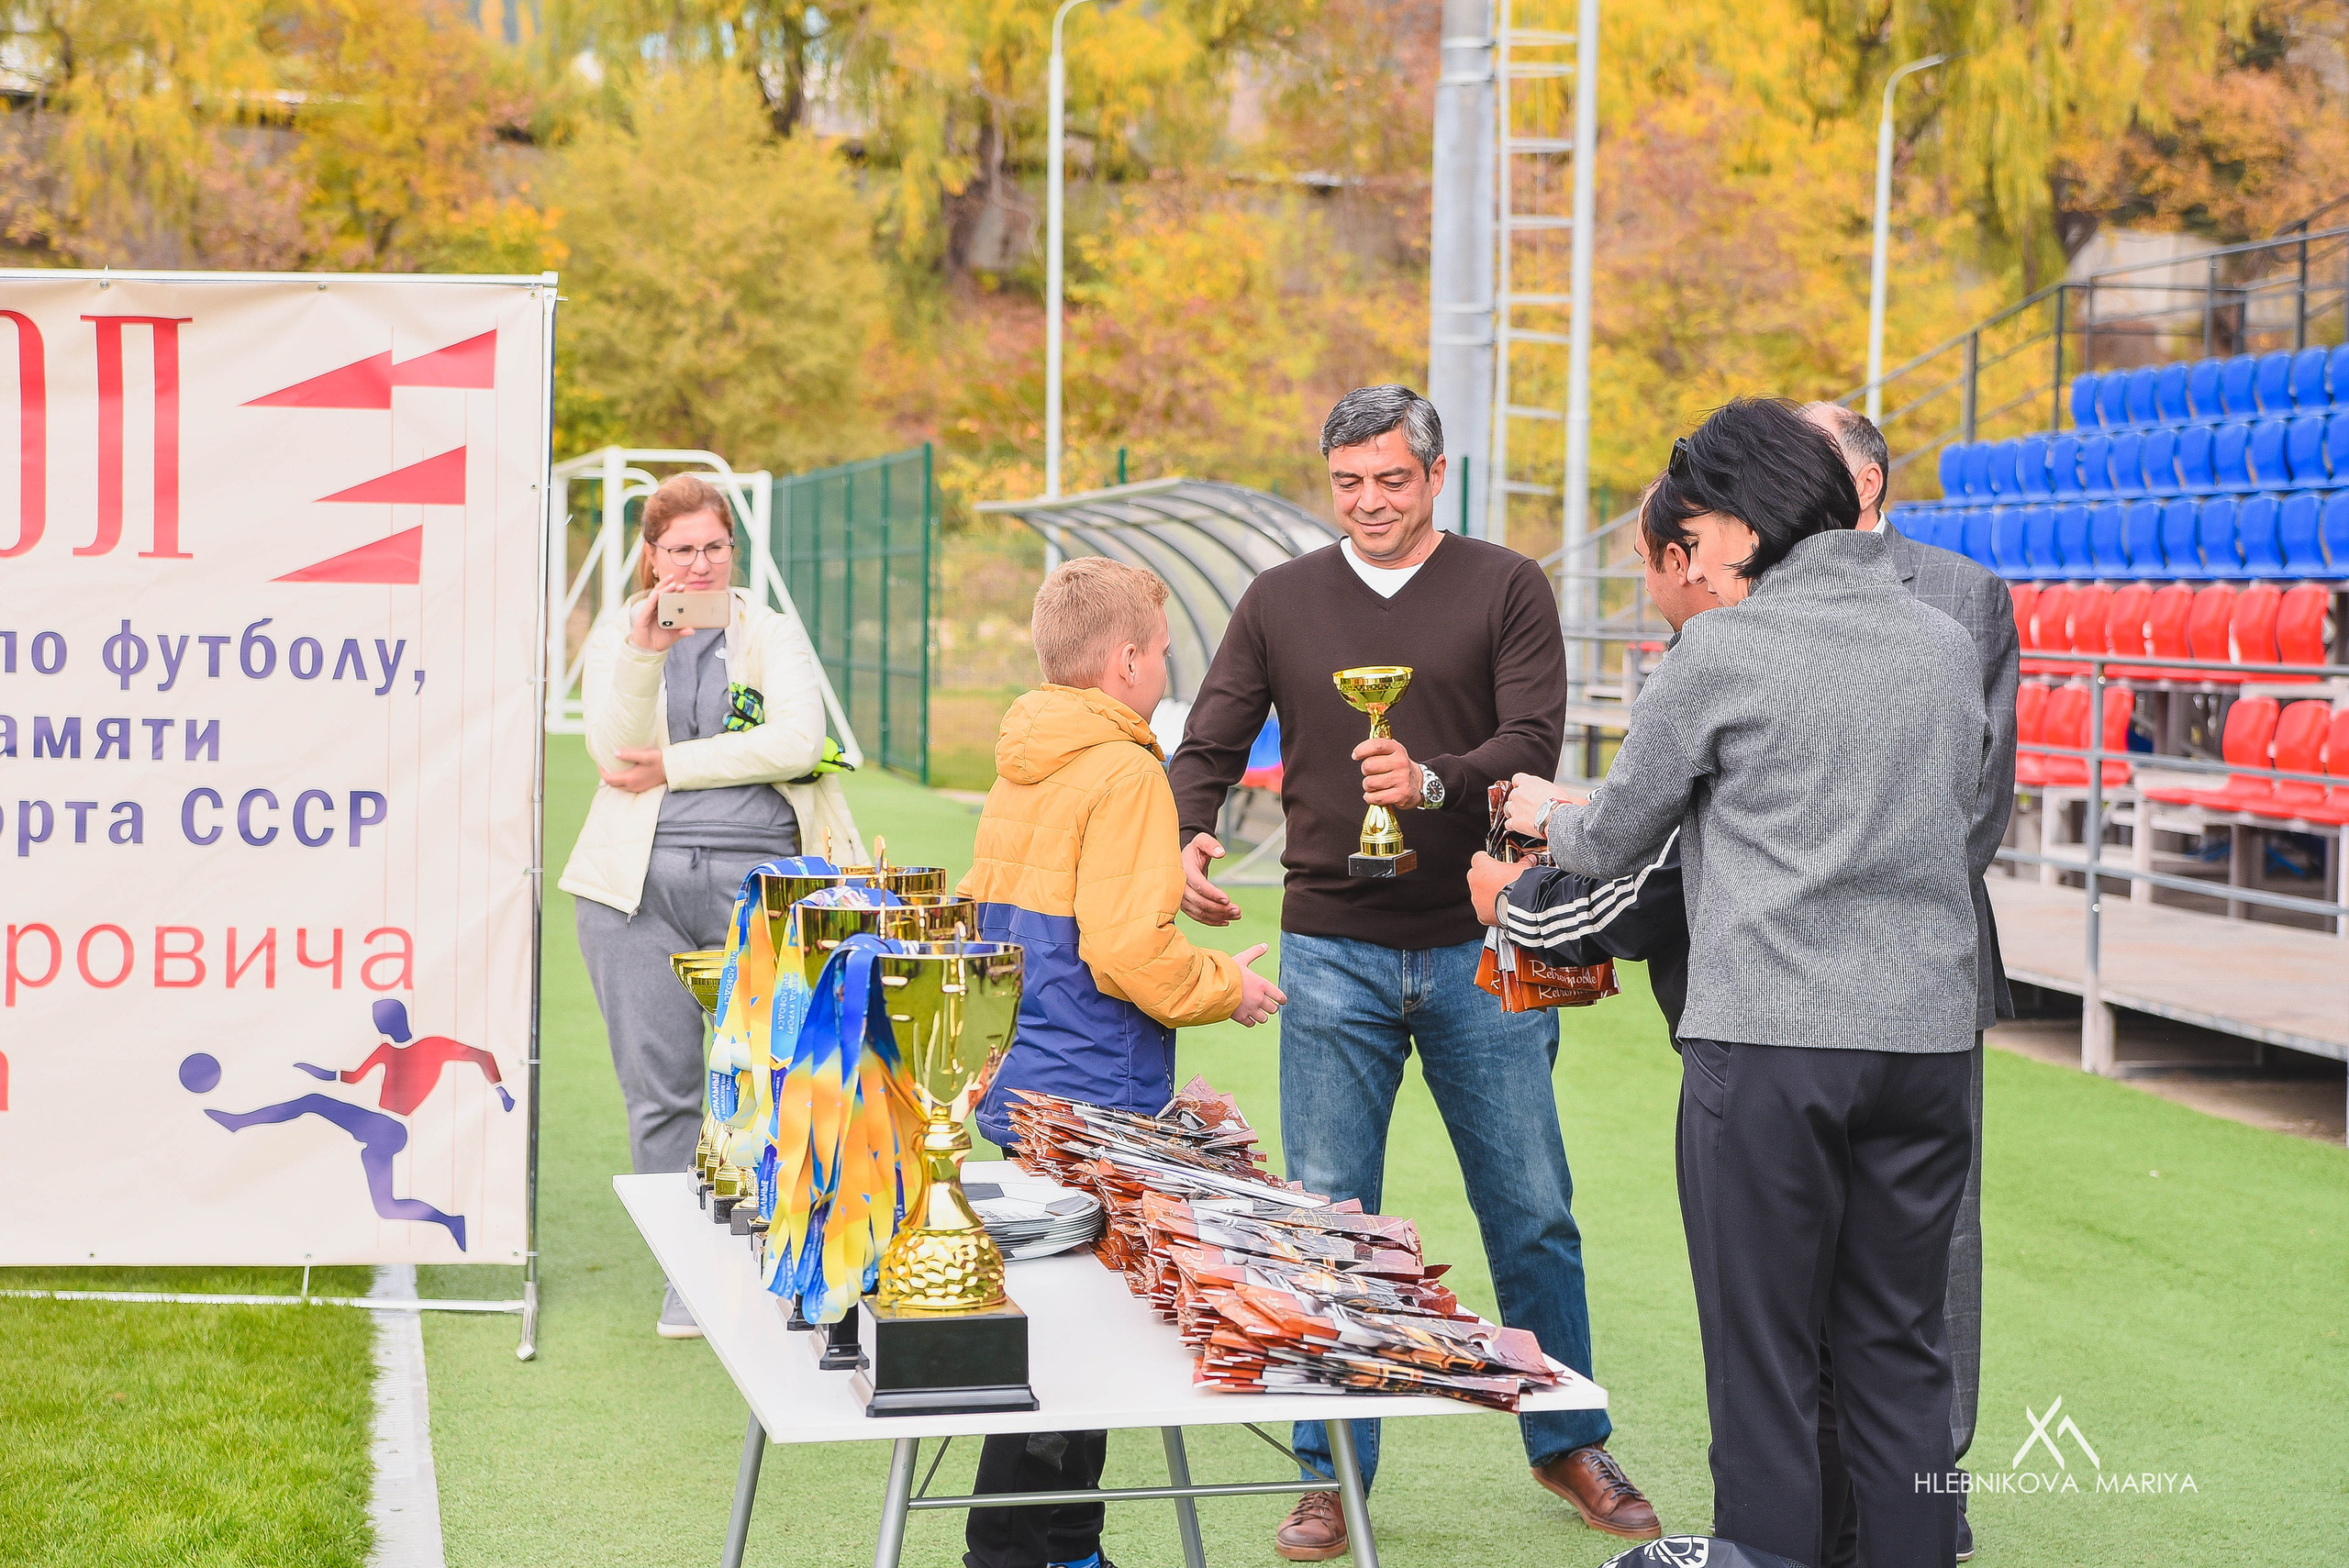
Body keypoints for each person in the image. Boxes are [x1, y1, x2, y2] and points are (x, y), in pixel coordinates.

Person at [1169, 384, 1660, 1561]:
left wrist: (1433, 781)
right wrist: (1183, 828)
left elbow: (1532, 744)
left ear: (1437, 475)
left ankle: (1565, 1438)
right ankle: (1332, 1470)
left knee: (1532, 1209)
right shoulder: (1280, 597)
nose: (1370, 501)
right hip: (1328, 946)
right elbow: (1210, 737)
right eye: (1347, 482)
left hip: (1475, 946)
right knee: (1327, 1224)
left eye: (1392, 478)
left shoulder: (1505, 585)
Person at [1506, 398, 1990, 1568]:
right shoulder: (1941, 640)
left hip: (1773, 1039)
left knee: (1766, 1349)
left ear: (1742, 517)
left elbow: (1614, 837)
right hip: (1928, 1042)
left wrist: (1539, 828)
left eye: (1703, 517)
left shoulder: (1721, 650)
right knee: (1900, 1343)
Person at [959, 556, 1285, 1568]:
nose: (1167, 668)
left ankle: (1065, 1542)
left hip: (1020, 1078)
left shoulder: (1028, 754)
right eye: (1163, 651)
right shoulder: (1127, 768)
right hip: (1093, 1094)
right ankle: (1012, 1549)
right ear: (1129, 661)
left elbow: (1017, 906)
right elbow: (1123, 952)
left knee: (1056, 1323)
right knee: (1072, 1342)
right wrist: (1226, 986)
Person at [560, 472, 863, 1340]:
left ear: (735, 550)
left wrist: (676, 765)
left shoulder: (767, 631)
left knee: (776, 1085)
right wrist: (649, 651)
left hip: (760, 888)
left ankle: (788, 1263)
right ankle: (684, 1281)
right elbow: (614, 747)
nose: (699, 564)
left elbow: (800, 740)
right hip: (634, 891)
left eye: (715, 547)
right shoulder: (625, 636)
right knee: (663, 1096)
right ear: (652, 556)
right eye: (682, 549)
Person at [1804, 400, 2017, 1566]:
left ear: (1871, 480)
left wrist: (1856, 909)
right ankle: (1823, 1482)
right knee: (1794, 1237)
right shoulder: (1759, 586)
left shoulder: (1961, 593)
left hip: (1922, 965)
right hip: (1779, 974)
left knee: (1931, 1243)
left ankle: (1927, 1482)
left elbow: (1978, 797)